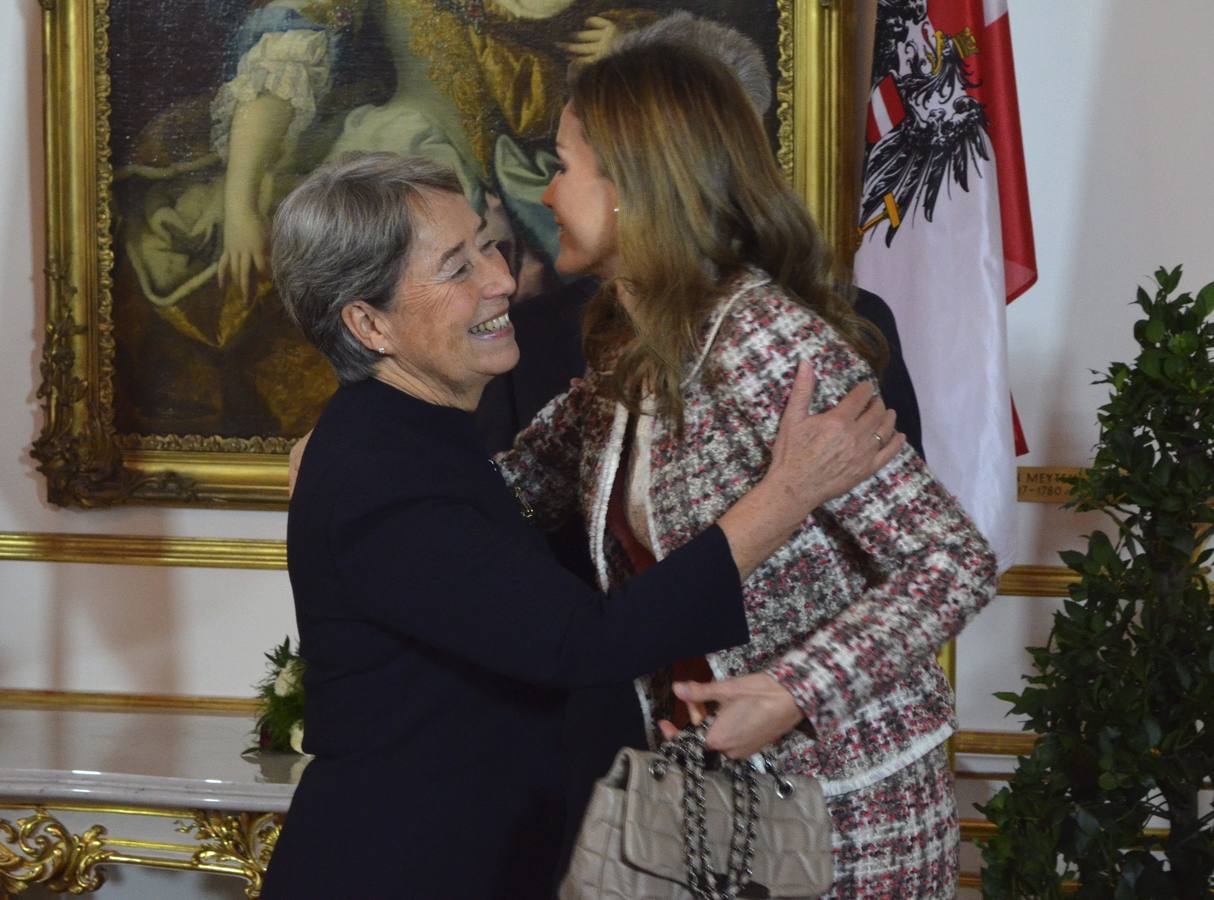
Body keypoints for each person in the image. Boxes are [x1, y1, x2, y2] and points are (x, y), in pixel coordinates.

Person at [265, 152, 904, 898]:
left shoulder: (403, 434)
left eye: (486, 244)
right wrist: (786, 494)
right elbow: (581, 641)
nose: (501, 277)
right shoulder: (379, 468)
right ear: (369, 323)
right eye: (456, 266)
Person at [494, 40, 998, 897]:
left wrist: (796, 689)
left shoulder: (768, 340)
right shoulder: (633, 342)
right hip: (706, 795)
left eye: (564, 166)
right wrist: (373, 441)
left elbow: (954, 563)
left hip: (846, 808)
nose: (545, 192)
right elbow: (516, 485)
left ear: (635, 185)